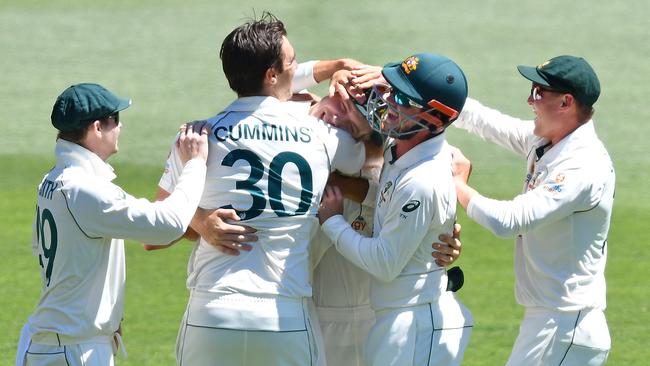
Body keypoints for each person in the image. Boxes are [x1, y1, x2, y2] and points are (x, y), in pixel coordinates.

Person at [158, 13, 366, 365]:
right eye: (293, 61)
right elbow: (375, 165)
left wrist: (201, 220)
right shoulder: (322, 137)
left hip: (212, 314)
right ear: (272, 75)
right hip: (284, 318)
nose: (298, 67)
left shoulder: (196, 135)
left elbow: (156, 231)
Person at [16, 83, 210, 366]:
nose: (121, 127)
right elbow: (169, 224)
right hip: (73, 349)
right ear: (96, 128)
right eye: (116, 120)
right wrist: (194, 163)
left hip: (55, 341)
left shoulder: (52, 179)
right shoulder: (85, 190)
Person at [450, 55, 613, 365]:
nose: (529, 99)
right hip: (556, 324)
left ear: (566, 102)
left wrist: (457, 183)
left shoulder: (582, 165)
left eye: (539, 92)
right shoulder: (549, 140)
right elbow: (485, 121)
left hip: (564, 327)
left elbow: (508, 220)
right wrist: (423, 88)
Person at [318, 53, 473, 366]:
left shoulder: (422, 180)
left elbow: (384, 263)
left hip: (415, 326)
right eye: (390, 90)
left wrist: (332, 220)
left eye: (402, 98)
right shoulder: (399, 151)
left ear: (432, 120)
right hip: (399, 319)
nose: (388, 102)